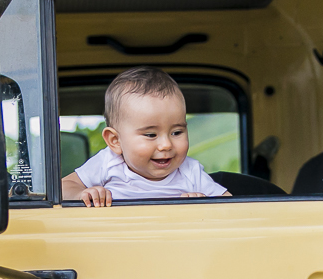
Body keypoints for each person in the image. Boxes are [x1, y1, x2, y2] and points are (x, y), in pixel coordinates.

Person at [61, 67, 231, 206]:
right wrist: (81, 194)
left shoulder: (190, 171)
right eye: (151, 135)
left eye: (176, 132)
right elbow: (63, 187)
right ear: (115, 141)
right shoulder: (108, 163)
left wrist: (205, 204)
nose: (166, 145)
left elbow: (232, 205)